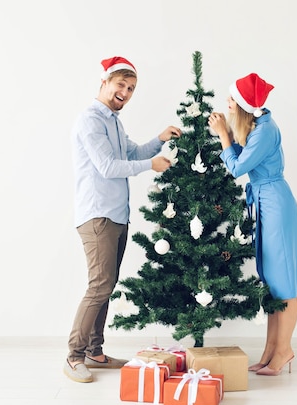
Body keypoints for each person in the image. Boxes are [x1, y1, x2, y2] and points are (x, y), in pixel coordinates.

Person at [65, 56, 182, 383]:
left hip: (117, 215)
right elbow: (107, 167)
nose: (126, 92)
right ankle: (74, 356)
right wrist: (152, 165)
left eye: (131, 88)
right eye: (121, 85)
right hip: (98, 214)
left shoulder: (114, 121)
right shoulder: (90, 120)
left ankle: (95, 351)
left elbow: (130, 154)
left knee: (107, 285)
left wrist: (160, 139)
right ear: (104, 83)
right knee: (99, 286)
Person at [208, 73, 297, 376]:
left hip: (276, 205)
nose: (227, 103)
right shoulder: (257, 127)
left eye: (231, 99)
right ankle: (269, 351)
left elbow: (237, 167)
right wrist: (228, 135)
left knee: (284, 284)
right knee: (272, 283)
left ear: (242, 105)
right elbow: (245, 159)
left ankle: (284, 351)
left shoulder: (265, 131)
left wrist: (224, 135)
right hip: (265, 203)